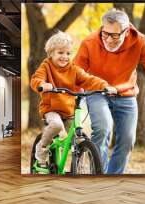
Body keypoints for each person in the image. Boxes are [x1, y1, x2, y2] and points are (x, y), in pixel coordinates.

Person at [74, 8, 145, 174]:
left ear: (127, 31)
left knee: (127, 140)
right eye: (106, 34)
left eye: (115, 35)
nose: (109, 40)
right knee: (103, 128)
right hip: (96, 91)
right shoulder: (89, 42)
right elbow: (76, 74)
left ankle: (113, 179)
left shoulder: (140, 41)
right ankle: (99, 177)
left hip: (126, 94)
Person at [30, 31, 117, 168]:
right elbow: (36, 79)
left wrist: (105, 86)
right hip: (51, 108)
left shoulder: (74, 69)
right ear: (50, 53)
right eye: (60, 53)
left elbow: (89, 79)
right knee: (57, 125)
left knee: (79, 138)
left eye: (68, 53)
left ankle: (78, 166)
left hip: (69, 110)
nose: (65, 57)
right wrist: (42, 85)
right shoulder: (46, 66)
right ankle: (41, 148)